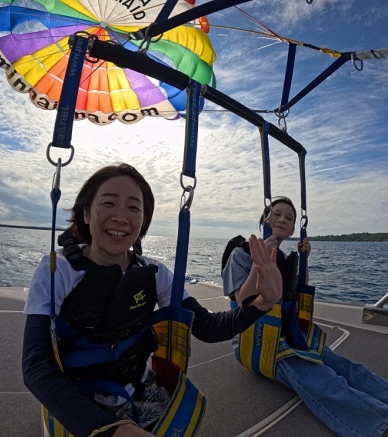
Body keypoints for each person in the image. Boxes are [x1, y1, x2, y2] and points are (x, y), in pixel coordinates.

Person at [22, 163, 283, 437]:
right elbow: (36, 366)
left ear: (143, 221)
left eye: (134, 208)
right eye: (109, 203)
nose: (121, 217)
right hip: (77, 400)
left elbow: (207, 327)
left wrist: (263, 302)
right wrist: (115, 431)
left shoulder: (153, 272)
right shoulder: (58, 270)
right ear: (86, 213)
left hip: (140, 392)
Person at [222, 196, 388, 437]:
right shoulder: (241, 254)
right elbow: (242, 304)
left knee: (344, 366)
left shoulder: (285, 260)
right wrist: (260, 263)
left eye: (289, 218)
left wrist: (304, 260)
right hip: (254, 342)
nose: (282, 219)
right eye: (276, 214)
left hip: (288, 335)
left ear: (292, 230)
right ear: (264, 219)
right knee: (317, 376)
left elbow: (298, 297)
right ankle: (379, 426)